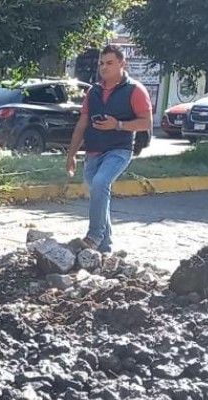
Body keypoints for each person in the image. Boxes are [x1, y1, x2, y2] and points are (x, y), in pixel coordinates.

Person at [66, 45, 153, 254]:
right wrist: (71, 155)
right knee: (98, 191)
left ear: (123, 64)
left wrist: (119, 125)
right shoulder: (93, 91)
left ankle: (94, 236)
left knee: (100, 183)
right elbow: (82, 124)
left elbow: (146, 123)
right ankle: (105, 249)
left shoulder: (135, 90)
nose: (104, 68)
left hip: (119, 150)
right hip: (93, 151)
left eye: (110, 63)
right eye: (102, 63)